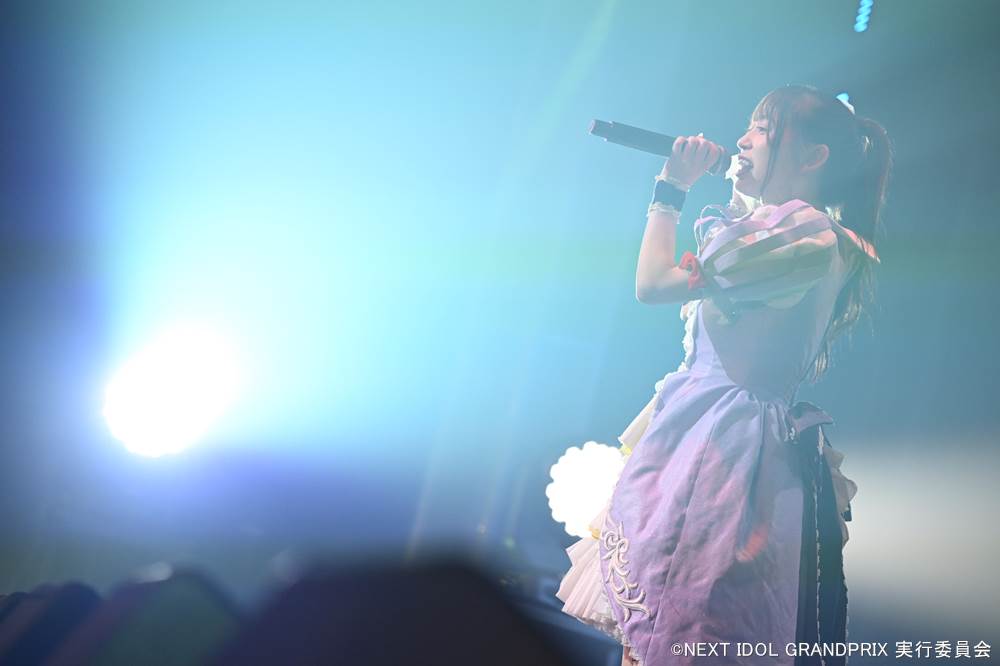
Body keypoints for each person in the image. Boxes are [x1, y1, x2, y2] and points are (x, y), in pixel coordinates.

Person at [554, 85, 892, 665]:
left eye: (762, 128)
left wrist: (671, 188)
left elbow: (652, 285)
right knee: (661, 633)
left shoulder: (803, 232)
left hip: (721, 451)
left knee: (679, 627)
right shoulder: (791, 230)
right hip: (717, 438)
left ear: (813, 156)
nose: (742, 140)